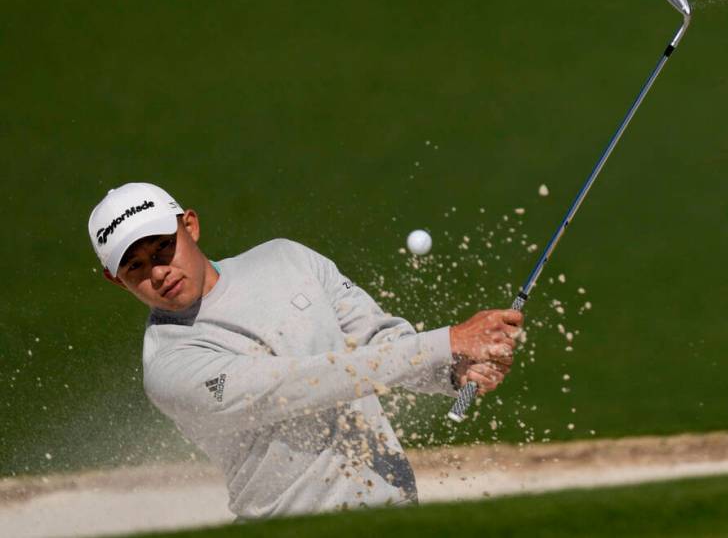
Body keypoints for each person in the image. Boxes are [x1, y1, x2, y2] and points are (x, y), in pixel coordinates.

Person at [87, 182, 522, 519]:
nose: (159, 271)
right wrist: (443, 342)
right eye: (135, 266)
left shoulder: (285, 259)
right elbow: (296, 386)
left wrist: (451, 368)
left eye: (163, 246)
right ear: (115, 280)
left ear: (190, 225)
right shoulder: (170, 366)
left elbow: (380, 343)